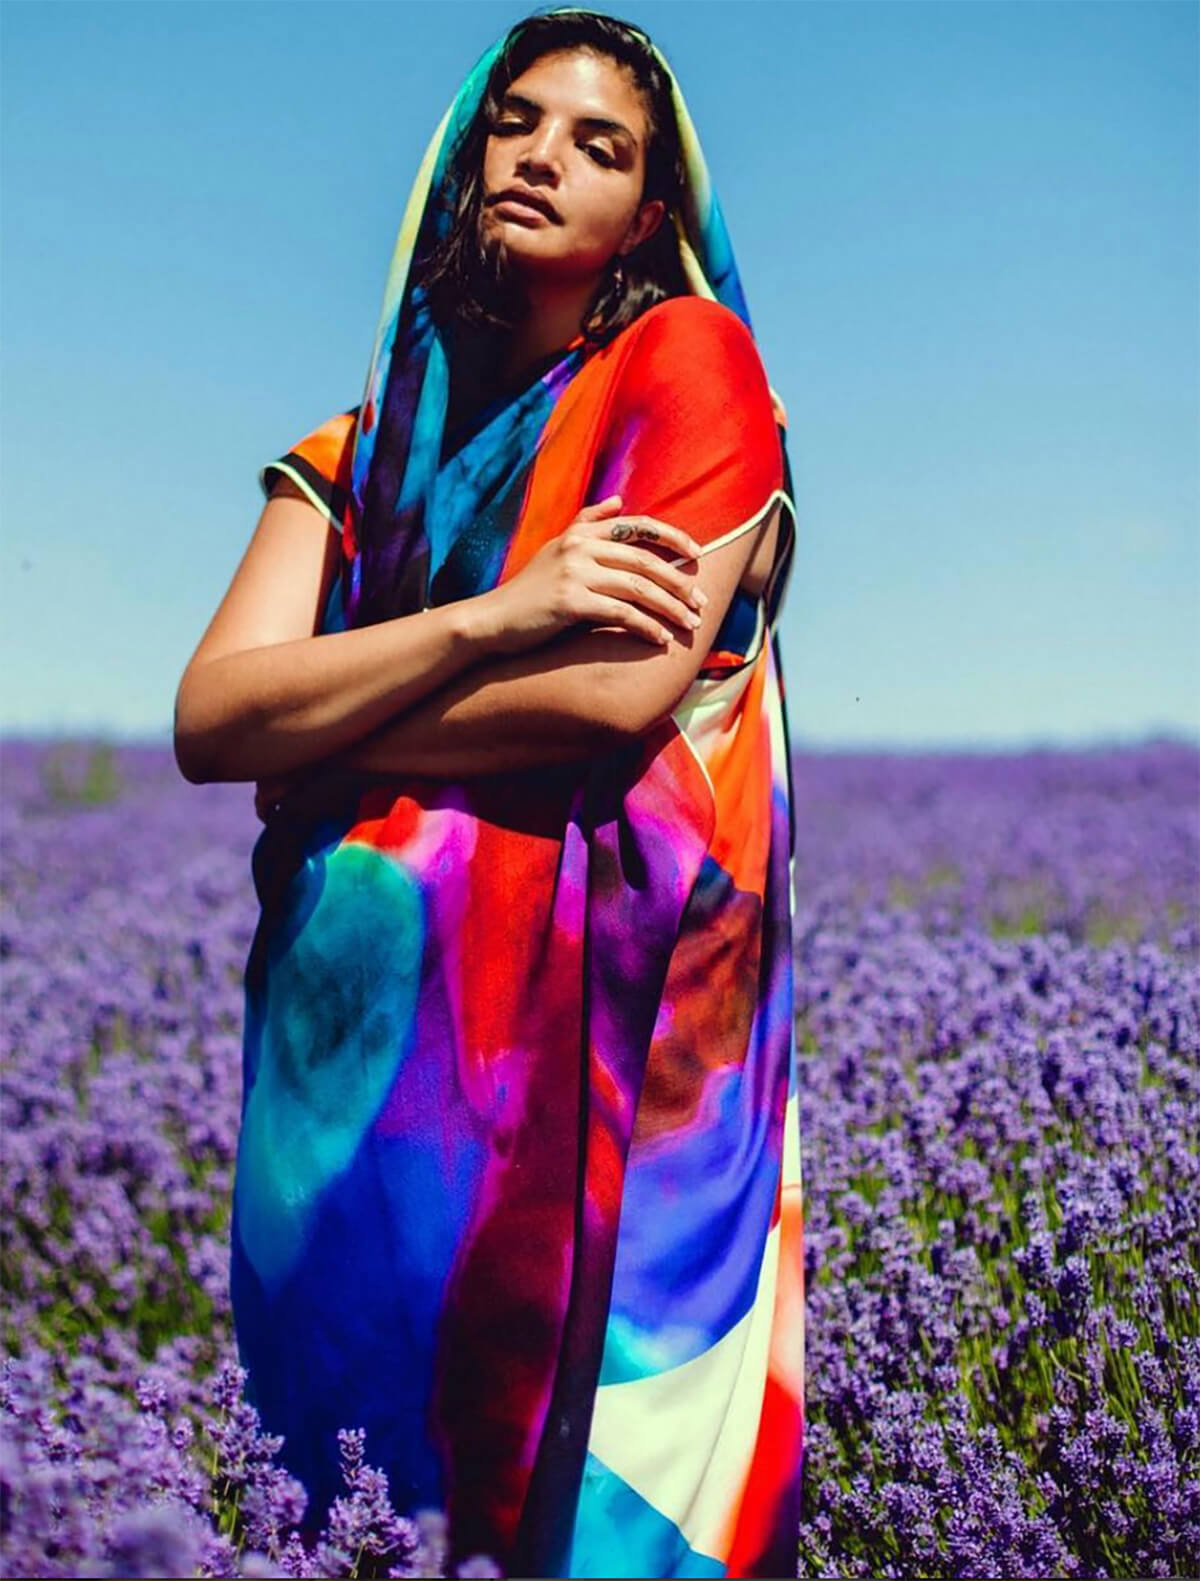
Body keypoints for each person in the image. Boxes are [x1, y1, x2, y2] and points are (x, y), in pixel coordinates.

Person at [174, 7, 805, 1577]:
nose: (545, 160)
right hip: (354, 1081)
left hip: (614, 1066)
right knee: (358, 1489)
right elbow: (209, 712)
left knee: (607, 1483)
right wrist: (492, 617)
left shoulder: (692, 365)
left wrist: (325, 736)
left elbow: (617, 693)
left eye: (601, 147)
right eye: (517, 124)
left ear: (651, 214)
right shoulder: (355, 449)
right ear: (465, 160)